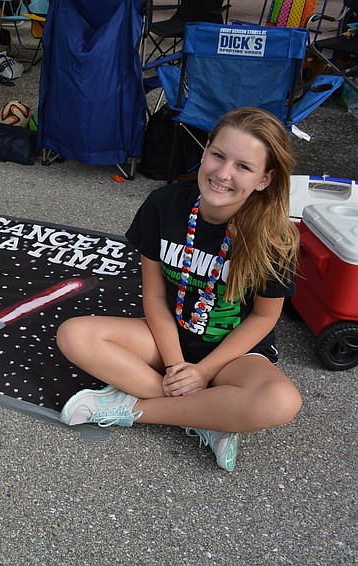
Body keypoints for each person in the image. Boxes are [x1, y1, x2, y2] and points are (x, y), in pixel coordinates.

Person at [55, 107, 303, 472]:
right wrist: (175, 365)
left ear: (264, 179)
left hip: (233, 355)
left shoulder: (275, 235)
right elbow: (154, 296)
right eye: (218, 156)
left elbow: (265, 317)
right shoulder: (163, 204)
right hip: (168, 338)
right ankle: (210, 416)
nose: (222, 174)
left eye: (243, 167)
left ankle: (132, 411)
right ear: (204, 151)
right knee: (74, 335)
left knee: (281, 401)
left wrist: (203, 372)